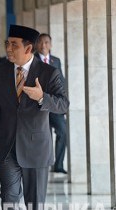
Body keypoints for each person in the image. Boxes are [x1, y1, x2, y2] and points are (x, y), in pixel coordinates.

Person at [0, 25, 69, 210]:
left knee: (35, 202)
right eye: (7, 44)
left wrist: (42, 97)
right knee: (9, 200)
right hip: (6, 148)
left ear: (28, 48)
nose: (8, 49)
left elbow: (63, 105)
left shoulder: (49, 72)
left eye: (14, 45)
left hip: (36, 148)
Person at [35, 33, 68, 174]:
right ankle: (44, 163)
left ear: (51, 44)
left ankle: (59, 165)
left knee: (63, 132)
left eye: (47, 42)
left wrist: (63, 103)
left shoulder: (56, 61)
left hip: (54, 105)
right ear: (36, 45)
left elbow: (61, 81)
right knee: (44, 135)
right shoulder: (33, 61)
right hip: (39, 106)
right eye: (41, 42)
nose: (44, 45)